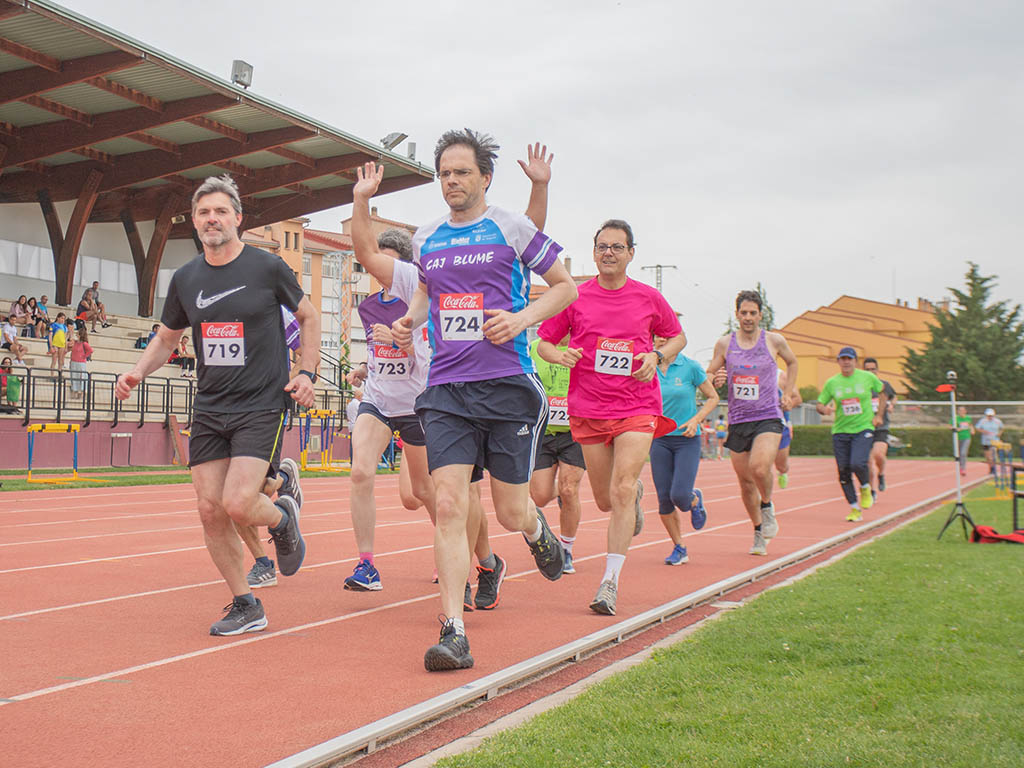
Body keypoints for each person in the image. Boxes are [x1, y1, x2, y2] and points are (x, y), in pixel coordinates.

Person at [386, 130, 576, 671]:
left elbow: (565, 287)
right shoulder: (426, 237)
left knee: (513, 509)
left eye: (462, 172)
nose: (452, 181)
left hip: (509, 386)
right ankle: (454, 631)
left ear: (484, 178)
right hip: (446, 389)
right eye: (444, 172)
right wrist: (410, 321)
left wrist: (521, 318)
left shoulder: (511, 226)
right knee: (447, 504)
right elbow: (427, 292)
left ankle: (540, 535)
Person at [115, 174, 319, 636]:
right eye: (204, 212)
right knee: (211, 509)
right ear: (194, 221)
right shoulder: (186, 278)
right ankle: (245, 603)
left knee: (239, 502)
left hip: (261, 402)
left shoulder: (267, 267)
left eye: (221, 211)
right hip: (210, 405)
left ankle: (283, 517)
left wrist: (305, 373)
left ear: (238, 218)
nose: (212, 218)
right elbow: (167, 338)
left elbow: (308, 316)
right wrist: (136, 372)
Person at [538, 218, 686, 615]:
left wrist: (657, 356)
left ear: (631, 254)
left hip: (637, 405)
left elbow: (677, 337)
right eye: (602, 246)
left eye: (617, 247)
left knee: (620, 488)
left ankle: (609, 583)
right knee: (606, 499)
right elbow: (545, 342)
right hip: (588, 408)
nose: (609, 253)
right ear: (594, 252)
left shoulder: (648, 298)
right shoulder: (575, 296)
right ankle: (633, 496)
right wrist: (561, 354)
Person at [707, 290, 798, 556]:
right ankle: (758, 530)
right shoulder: (725, 344)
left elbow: (792, 363)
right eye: (743, 313)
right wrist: (716, 379)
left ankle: (767, 506)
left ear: (761, 315)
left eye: (753, 313)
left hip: (768, 416)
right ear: (737, 315)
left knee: (759, 467)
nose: (748, 317)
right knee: (745, 483)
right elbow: (710, 372)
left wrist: (789, 393)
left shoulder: (774, 340)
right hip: (739, 419)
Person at [650, 338, 719, 565]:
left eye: (666, 336)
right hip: (658, 440)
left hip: (686, 439)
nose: (661, 339)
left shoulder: (690, 367)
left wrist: (696, 420)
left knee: (679, 495)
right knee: (663, 500)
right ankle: (679, 547)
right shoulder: (647, 367)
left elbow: (713, 397)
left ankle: (693, 499)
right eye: (657, 335)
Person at [529, 335, 587, 574]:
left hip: (576, 431)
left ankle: (566, 549)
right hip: (543, 431)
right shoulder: (534, 348)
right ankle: (561, 492)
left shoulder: (583, 345)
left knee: (569, 489)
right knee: (540, 497)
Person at [815, 347, 887, 522]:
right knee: (843, 471)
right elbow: (820, 403)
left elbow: (883, 392)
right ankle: (854, 508)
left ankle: (865, 487)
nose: (846, 362)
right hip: (840, 431)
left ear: (855, 361)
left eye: (849, 359)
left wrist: (879, 415)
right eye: (843, 359)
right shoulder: (832, 382)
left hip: (863, 428)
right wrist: (824, 409)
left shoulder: (867, 377)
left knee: (858, 462)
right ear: (838, 361)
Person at [862, 357, 897, 497]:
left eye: (873, 369)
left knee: (878, 454)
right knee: (868, 462)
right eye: (867, 369)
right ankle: (872, 490)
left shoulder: (884, 385)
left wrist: (891, 404)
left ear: (877, 370)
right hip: (865, 427)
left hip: (881, 427)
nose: (870, 372)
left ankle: (881, 474)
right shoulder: (861, 387)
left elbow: (893, 396)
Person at [775, 370, 802, 488]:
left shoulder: (782, 377)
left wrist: (786, 404)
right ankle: (765, 499)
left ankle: (782, 472)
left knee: (781, 465)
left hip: (780, 424)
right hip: (757, 425)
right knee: (759, 465)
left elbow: (797, 399)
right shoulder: (749, 373)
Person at [975, 407, 1004, 477]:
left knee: (992, 454)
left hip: (994, 440)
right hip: (985, 441)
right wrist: (983, 431)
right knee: (988, 457)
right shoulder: (983, 421)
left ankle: (993, 468)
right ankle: (991, 467)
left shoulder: (997, 421)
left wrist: (999, 433)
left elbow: (1002, 428)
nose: (990, 417)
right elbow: (977, 428)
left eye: (991, 415)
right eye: (989, 415)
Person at [69, 326, 93, 399]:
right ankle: (75, 390)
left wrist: (84, 356)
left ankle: (82, 391)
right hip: (74, 361)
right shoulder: (75, 343)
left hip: (81, 362)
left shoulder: (84, 343)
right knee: (74, 376)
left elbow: (90, 350)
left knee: (81, 376)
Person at [953, 405, 973, 476]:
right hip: (958, 438)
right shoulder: (955, 418)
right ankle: (960, 465)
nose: (961, 412)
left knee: (963, 453)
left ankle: (963, 468)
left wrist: (972, 430)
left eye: (962, 411)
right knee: (958, 454)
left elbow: (970, 425)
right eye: (960, 411)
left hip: (966, 437)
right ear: (958, 412)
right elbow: (950, 426)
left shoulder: (968, 418)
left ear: (965, 411)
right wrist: (956, 429)